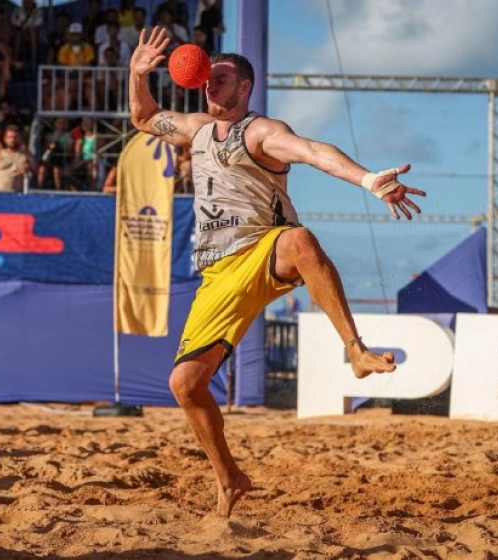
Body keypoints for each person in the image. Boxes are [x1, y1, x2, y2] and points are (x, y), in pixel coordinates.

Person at [129, 28, 427, 518]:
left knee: (300, 238)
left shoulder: (261, 131)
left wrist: (369, 179)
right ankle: (230, 479)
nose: (209, 85)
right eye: (208, 79)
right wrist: (137, 74)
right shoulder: (197, 129)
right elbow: (142, 117)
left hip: (264, 250)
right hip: (218, 273)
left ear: (244, 87)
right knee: (184, 384)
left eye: (220, 79)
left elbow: (313, 151)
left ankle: (355, 350)